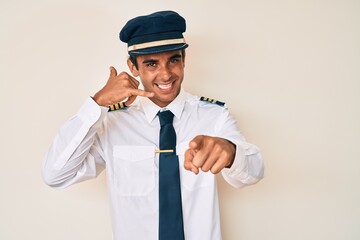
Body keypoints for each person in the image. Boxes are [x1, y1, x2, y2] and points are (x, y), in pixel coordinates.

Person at [42, 10, 264, 240]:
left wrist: (230, 151)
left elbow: (254, 172)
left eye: (173, 60)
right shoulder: (111, 123)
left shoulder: (213, 116)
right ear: (133, 67)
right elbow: (55, 175)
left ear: (184, 60)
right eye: (151, 64)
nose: (166, 74)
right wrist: (97, 104)